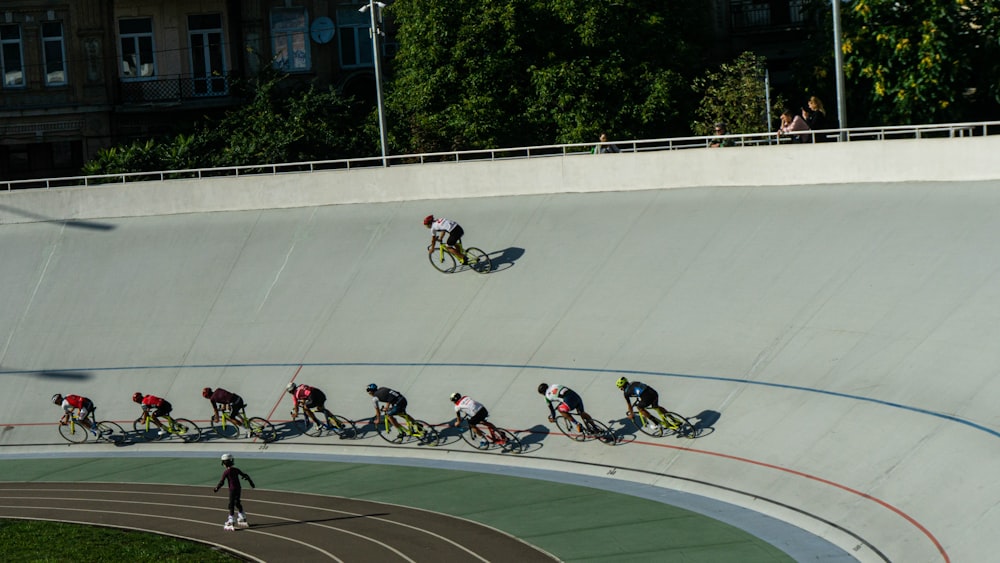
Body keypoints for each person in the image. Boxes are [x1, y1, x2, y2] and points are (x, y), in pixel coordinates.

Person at [213, 453, 255, 530]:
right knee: (237, 502)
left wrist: (217, 488)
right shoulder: (236, 470)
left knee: (231, 504)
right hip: (238, 488)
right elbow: (245, 475)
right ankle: (242, 516)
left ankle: (231, 520)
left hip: (232, 489)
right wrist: (251, 483)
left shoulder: (226, 472)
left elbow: (222, 482)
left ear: (224, 463)